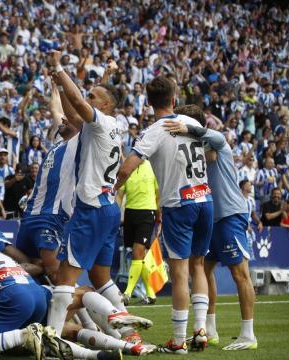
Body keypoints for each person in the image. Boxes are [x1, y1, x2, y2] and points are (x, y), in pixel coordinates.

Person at [116, 76, 213, 354]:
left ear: (148, 102)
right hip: (205, 198)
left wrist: (110, 190)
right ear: (174, 100)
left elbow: (127, 168)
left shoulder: (154, 131)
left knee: (181, 272)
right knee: (198, 266)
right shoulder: (193, 124)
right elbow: (212, 151)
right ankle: (201, 331)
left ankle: (179, 341)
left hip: (179, 204)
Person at [46, 52, 128, 342]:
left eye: (94, 95)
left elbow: (78, 103)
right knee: (100, 278)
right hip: (108, 208)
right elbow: (72, 113)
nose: (88, 97)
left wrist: (58, 67)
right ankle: (128, 330)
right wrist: (59, 81)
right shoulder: (111, 126)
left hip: (91, 207)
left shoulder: (102, 123)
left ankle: (51, 338)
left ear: (105, 105)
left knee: (64, 280)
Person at [163, 104, 257, 350]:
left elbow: (218, 139)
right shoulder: (196, 151)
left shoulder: (219, 144)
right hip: (210, 216)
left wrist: (189, 128)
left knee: (240, 274)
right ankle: (210, 329)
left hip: (230, 215)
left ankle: (249, 334)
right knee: (203, 270)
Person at [16, 85, 80, 281]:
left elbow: (75, 109)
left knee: (56, 274)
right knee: (25, 272)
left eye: (67, 119)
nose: (62, 120)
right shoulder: (57, 141)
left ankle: (96, 309)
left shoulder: (79, 141)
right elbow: (55, 110)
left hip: (50, 217)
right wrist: (56, 85)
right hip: (29, 215)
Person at [116, 159, 160, 305]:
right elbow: (120, 194)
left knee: (137, 252)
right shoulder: (126, 168)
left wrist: (159, 218)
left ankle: (127, 293)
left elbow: (158, 194)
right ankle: (151, 294)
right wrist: (117, 214)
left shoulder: (152, 166)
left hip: (147, 213)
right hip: (130, 213)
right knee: (140, 256)